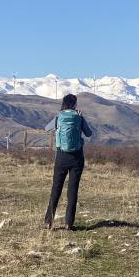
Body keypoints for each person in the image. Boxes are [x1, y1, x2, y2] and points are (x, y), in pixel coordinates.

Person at [44, 94, 92, 230]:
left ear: (63, 104)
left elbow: (47, 128)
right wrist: (81, 118)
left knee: (56, 189)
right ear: (75, 104)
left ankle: (48, 221)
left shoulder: (59, 117)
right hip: (77, 157)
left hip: (61, 157)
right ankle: (68, 223)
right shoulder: (78, 117)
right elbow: (89, 133)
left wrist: (58, 122)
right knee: (72, 191)